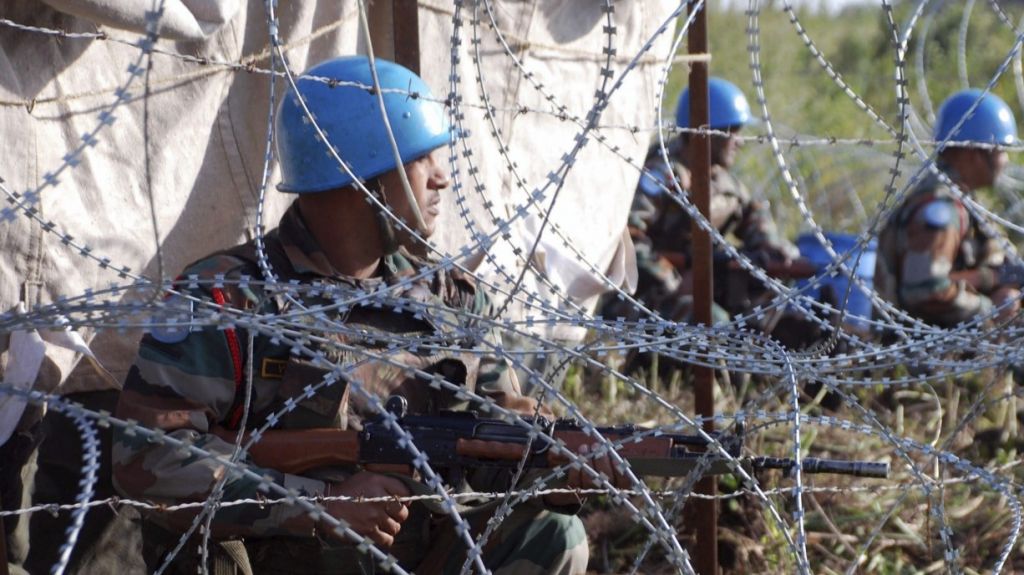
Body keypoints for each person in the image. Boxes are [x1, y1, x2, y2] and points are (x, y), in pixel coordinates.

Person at [112, 56, 621, 575]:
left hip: (416, 552)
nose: (442, 179)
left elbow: (488, 451)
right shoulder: (231, 298)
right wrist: (318, 504)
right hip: (282, 558)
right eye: (423, 160)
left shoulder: (450, 300)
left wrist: (555, 473)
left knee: (554, 534)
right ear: (363, 175)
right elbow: (148, 458)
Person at [876, 89, 1022, 328]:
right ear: (974, 153)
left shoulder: (958, 197)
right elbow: (924, 290)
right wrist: (991, 310)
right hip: (931, 351)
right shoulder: (940, 208)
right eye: (1000, 150)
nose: (1005, 160)